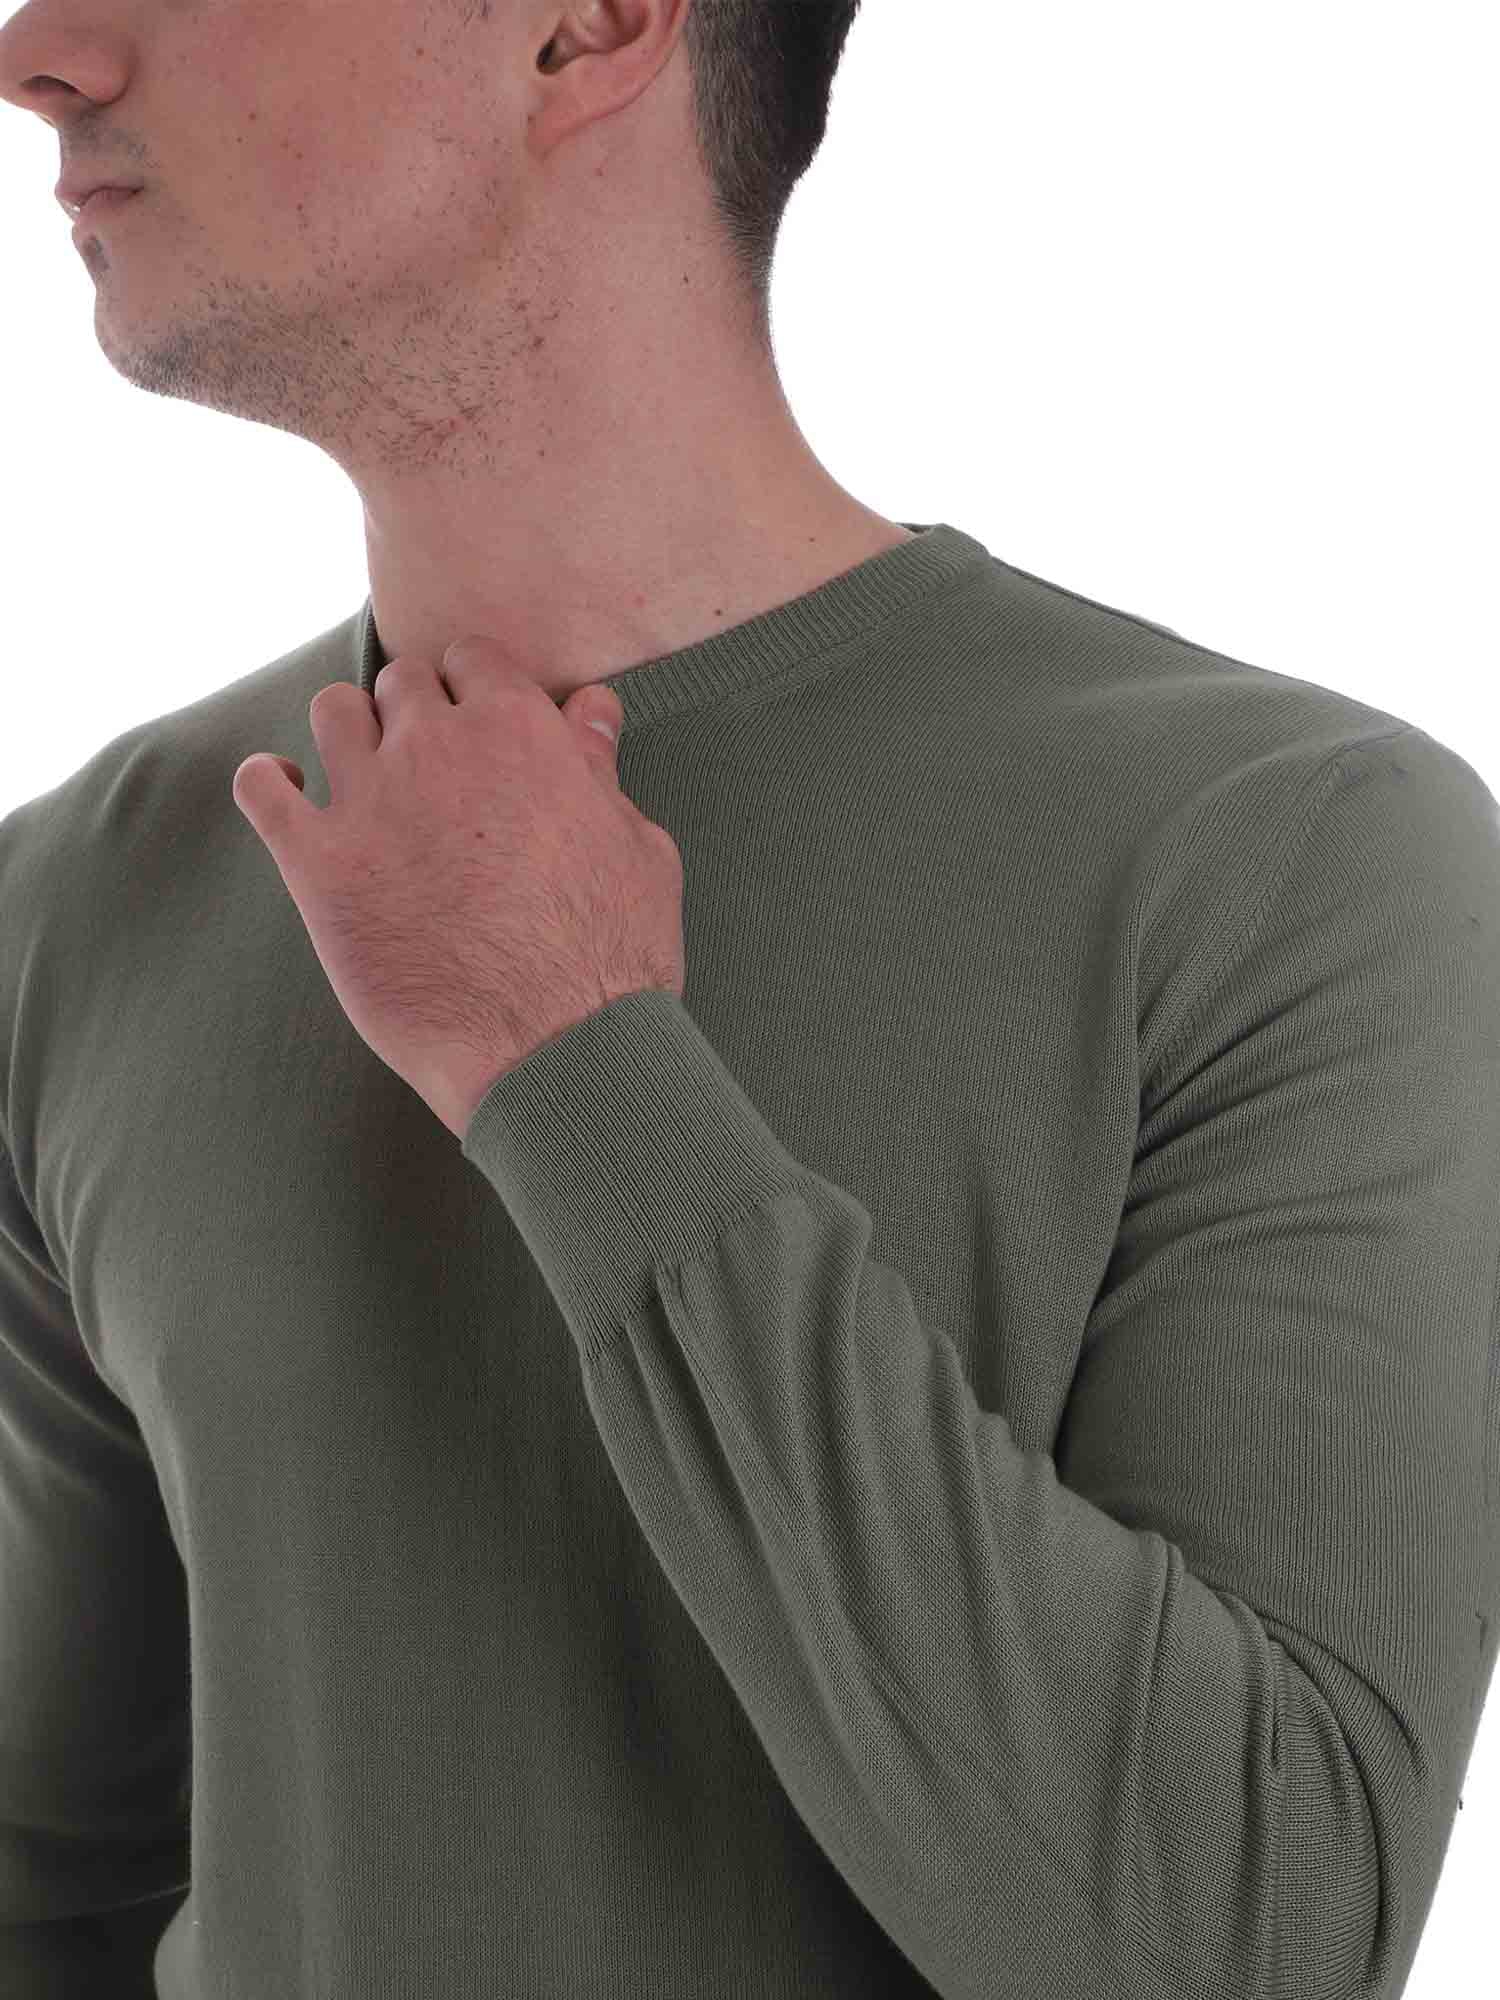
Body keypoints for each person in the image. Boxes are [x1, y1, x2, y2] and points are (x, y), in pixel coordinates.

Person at [1, 3, 1497, 1997]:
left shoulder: (1289, 853)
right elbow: (52, 1894)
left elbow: (1248, 1941)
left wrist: (576, 1060)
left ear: (589, 25)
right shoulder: (78, 904)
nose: (41, 47)